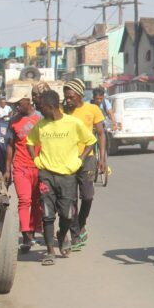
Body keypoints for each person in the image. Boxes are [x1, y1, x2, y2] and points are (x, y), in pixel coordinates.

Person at [26, 90, 96, 265]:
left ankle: (62, 235)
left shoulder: (72, 123)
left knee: (66, 215)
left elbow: (90, 140)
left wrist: (80, 160)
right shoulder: (41, 124)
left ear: (50, 106)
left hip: (67, 176)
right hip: (47, 174)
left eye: (41, 107)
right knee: (48, 214)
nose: (39, 110)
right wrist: (36, 160)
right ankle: (50, 251)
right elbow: (30, 141)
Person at [62, 79, 105, 251]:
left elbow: (101, 134)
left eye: (71, 97)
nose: (68, 101)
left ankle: (81, 224)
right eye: (66, 98)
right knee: (70, 198)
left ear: (79, 94)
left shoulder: (92, 109)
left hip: (87, 158)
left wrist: (102, 159)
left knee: (87, 196)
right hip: (67, 160)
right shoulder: (62, 111)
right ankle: (75, 233)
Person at [4, 85, 43, 252]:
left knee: (37, 202)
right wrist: (7, 169)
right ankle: (26, 234)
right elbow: (10, 146)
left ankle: (33, 231)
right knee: (24, 200)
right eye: (14, 104)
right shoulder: (13, 122)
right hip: (20, 167)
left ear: (28, 100)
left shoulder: (41, 118)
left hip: (40, 166)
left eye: (19, 103)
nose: (16, 107)